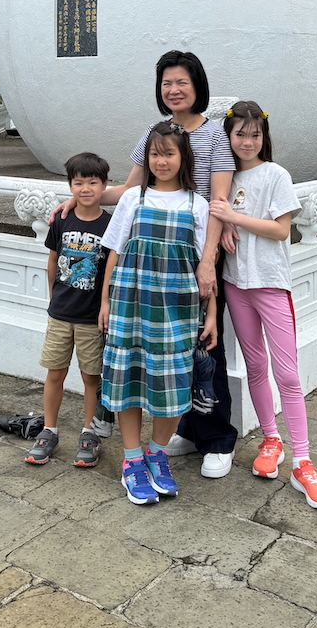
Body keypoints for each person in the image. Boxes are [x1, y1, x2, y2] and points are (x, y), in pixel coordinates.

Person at [52, 49, 238, 477]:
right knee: (154, 352)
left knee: (200, 349)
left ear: (197, 86)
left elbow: (218, 201)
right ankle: (178, 436)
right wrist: (83, 197)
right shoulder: (153, 134)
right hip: (145, 259)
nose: (174, 90)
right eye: (166, 83)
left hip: (193, 249)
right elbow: (130, 189)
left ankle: (216, 438)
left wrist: (208, 260)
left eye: (182, 82)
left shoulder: (214, 136)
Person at [209, 101, 317, 508]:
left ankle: (303, 461)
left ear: (264, 137)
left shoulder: (276, 175)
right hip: (235, 285)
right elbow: (215, 214)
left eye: (255, 134)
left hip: (271, 285)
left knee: (288, 374)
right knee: (255, 366)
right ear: (228, 136)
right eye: (239, 134)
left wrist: (233, 218)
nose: (247, 141)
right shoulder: (224, 177)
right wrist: (223, 224)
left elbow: (281, 230)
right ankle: (270, 439)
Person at [99, 121, 217, 504]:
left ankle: (157, 453)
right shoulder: (133, 199)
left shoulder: (197, 205)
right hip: (130, 305)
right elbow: (114, 252)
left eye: (168, 154)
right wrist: (105, 302)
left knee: (173, 383)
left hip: (178, 310)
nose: (160, 161)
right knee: (129, 382)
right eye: (154, 154)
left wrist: (212, 315)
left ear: (183, 158)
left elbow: (207, 267)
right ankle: (132, 460)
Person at [26, 152, 111, 468]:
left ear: (104, 185)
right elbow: (52, 261)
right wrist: (54, 299)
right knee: (55, 373)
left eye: (92, 182)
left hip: (91, 317)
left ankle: (90, 432)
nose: (85, 189)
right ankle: (49, 430)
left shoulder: (109, 224)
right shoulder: (62, 219)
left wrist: (105, 306)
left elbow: (111, 270)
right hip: (60, 314)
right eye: (78, 183)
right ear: (70, 185)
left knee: (91, 377)